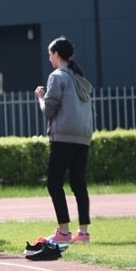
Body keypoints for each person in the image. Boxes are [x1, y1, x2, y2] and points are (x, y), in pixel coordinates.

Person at [35, 36, 94, 243]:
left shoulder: (57, 76)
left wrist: (41, 97)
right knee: (79, 183)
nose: (49, 58)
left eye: (50, 54)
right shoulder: (80, 77)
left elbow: (49, 111)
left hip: (63, 136)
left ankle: (64, 231)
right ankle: (83, 233)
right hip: (83, 136)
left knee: (54, 182)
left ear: (57, 54)